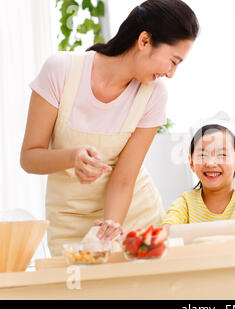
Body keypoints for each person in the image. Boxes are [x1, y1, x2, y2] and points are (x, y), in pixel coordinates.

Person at [20, 0, 199, 256]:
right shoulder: (60, 71)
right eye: (172, 61)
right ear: (145, 41)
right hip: (69, 221)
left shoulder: (154, 94)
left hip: (133, 216)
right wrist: (71, 157)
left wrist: (111, 226)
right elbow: (29, 157)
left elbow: (125, 178)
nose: (171, 73)